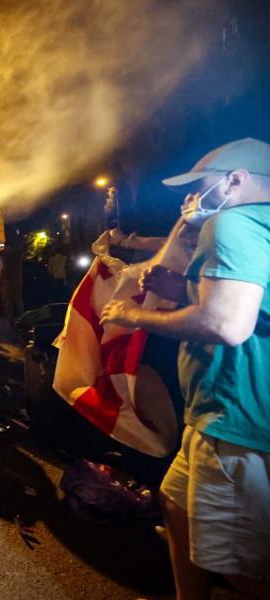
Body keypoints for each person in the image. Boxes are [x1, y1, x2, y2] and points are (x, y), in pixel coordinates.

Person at [101, 138, 270, 599]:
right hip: (227, 413)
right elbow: (254, 312)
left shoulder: (232, 222)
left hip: (232, 418)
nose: (192, 196)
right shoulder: (260, 225)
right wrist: (181, 288)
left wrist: (132, 316)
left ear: (236, 181)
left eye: (202, 184)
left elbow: (227, 324)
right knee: (175, 504)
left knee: (239, 565)